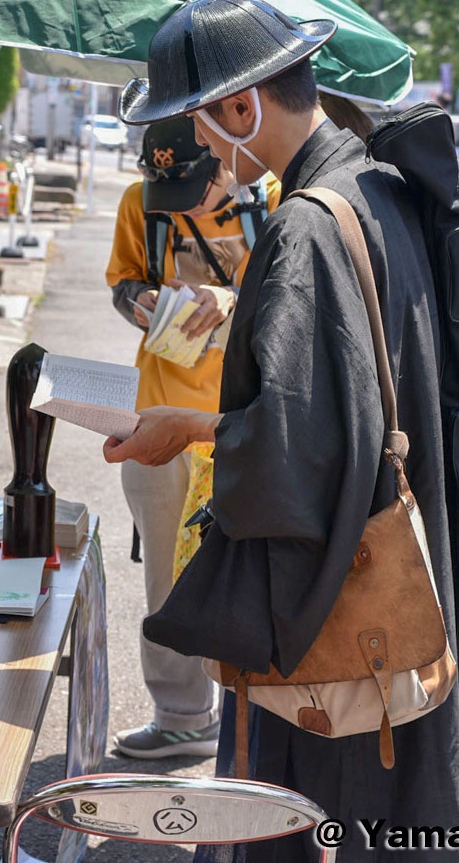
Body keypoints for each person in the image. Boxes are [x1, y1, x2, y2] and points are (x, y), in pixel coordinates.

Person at [114, 0, 459, 862]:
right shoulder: (376, 184)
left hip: (333, 594)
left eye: (196, 120)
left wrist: (187, 427)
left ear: (241, 107)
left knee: (294, 812)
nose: (197, 145)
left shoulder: (304, 225)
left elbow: (295, 445)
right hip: (410, 559)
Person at [105, 116, 280, 759]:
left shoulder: (279, 203)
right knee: (165, 579)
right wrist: (142, 303)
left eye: (194, 190)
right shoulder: (138, 203)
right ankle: (181, 715)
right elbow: (121, 281)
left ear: (224, 159)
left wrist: (232, 300)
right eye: (165, 187)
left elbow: (294, 301)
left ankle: (257, 723)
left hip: (238, 423)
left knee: (247, 575)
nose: (181, 204)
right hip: (155, 423)